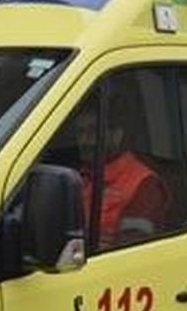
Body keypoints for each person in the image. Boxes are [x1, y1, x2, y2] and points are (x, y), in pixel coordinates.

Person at [73, 94, 171, 247]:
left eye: (93, 132)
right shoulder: (79, 176)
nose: (84, 141)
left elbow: (132, 248)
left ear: (117, 135)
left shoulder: (145, 184)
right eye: (80, 133)